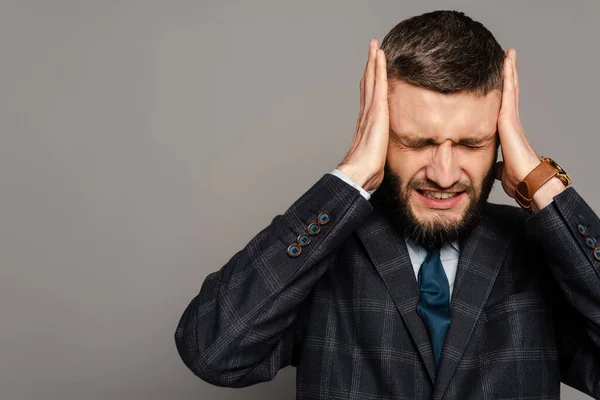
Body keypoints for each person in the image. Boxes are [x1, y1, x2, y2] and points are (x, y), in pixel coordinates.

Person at [174, 10, 600, 399]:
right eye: (417, 142)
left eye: (472, 143)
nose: (444, 174)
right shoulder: (325, 245)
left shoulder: (543, 251)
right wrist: (352, 176)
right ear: (379, 133)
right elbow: (213, 351)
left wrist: (542, 185)